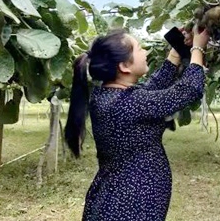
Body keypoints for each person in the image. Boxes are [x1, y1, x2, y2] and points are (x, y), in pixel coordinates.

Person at [64, 26, 209, 221]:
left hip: (118, 198)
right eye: (139, 48)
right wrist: (198, 49)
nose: (145, 52)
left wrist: (176, 50)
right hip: (132, 203)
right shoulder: (130, 103)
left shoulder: (106, 96)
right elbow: (188, 90)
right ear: (124, 66)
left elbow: (151, 89)